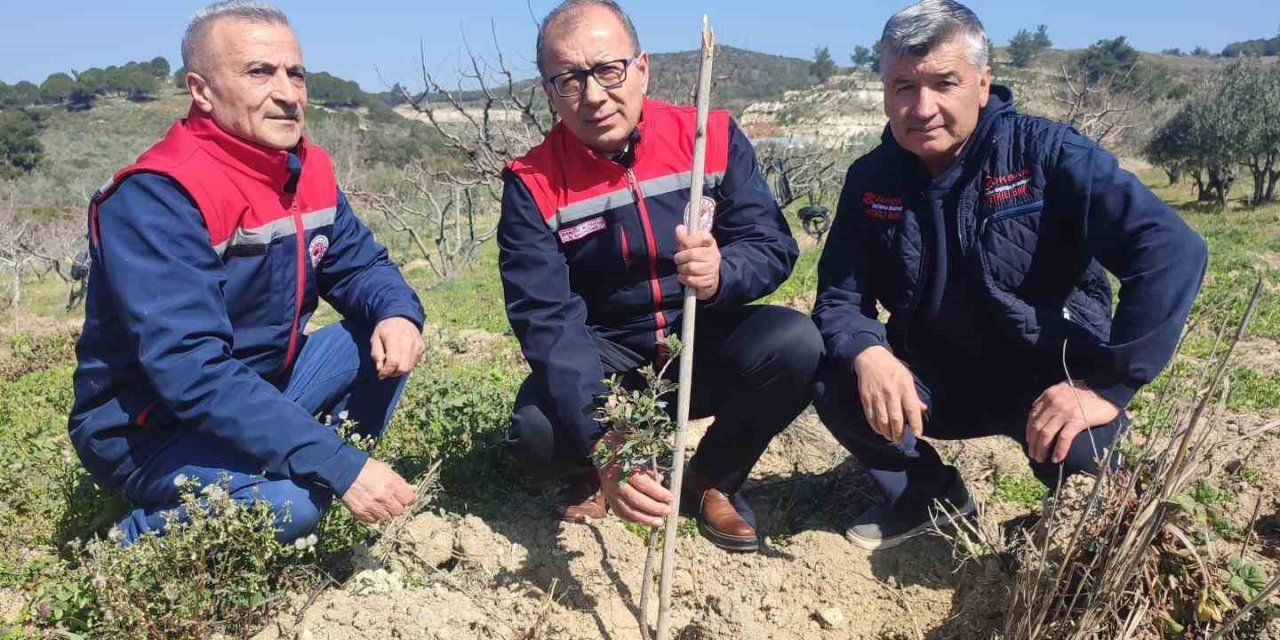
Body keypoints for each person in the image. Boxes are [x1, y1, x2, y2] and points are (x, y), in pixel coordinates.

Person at [812, 0, 1208, 550]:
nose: (922, 107)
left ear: (982, 83)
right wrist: (868, 352)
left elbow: (1170, 249)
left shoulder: (1045, 154)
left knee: (1093, 471)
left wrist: (1110, 385)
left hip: (1049, 378)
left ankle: (1068, 534)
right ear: (885, 91)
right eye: (903, 86)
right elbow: (838, 297)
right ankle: (929, 494)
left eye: (944, 83)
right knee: (832, 372)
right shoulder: (871, 179)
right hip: (933, 382)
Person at [68, 0, 426, 544]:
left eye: (296, 73)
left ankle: (303, 471)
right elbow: (192, 371)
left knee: (376, 337)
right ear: (202, 90)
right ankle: (121, 549)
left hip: (263, 387)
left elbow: (360, 266)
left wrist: (398, 311)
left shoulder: (308, 169)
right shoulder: (159, 196)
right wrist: (336, 462)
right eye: (259, 72)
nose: (287, 92)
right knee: (292, 506)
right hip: (151, 428)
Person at [500, 0, 823, 553]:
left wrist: (724, 272)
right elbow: (547, 320)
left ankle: (710, 479)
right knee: (537, 429)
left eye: (608, 69)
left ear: (642, 67)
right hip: (607, 354)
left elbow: (771, 244)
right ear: (549, 93)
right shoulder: (532, 182)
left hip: (701, 339)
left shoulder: (709, 136)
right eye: (570, 80)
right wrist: (604, 440)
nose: (595, 95)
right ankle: (597, 470)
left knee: (796, 344)